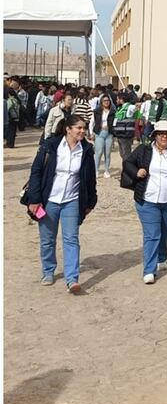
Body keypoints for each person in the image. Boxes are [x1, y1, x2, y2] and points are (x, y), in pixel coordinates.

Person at [25, 115, 98, 293]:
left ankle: (72, 279)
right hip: (49, 200)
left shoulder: (87, 149)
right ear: (68, 129)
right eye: (78, 128)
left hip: (71, 201)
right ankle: (48, 271)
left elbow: (90, 178)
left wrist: (90, 201)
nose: (82, 131)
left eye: (84, 128)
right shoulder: (50, 146)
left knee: (71, 239)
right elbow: (36, 172)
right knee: (47, 239)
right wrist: (34, 199)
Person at [122, 121, 167, 284]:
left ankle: (162, 256)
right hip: (147, 199)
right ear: (154, 135)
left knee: (166, 231)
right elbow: (127, 163)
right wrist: (137, 171)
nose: (164, 136)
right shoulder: (144, 150)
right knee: (152, 235)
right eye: (161, 133)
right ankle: (149, 270)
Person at [91, 94, 115, 178]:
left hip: (109, 133)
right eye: (104, 100)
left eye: (108, 100)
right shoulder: (97, 111)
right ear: (101, 101)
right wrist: (91, 132)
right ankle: (96, 170)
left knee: (107, 153)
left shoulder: (112, 111)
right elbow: (92, 122)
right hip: (99, 133)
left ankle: (106, 170)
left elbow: (115, 122)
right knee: (99, 152)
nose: (106, 102)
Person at [112, 92, 138, 161]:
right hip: (120, 133)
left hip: (126, 134)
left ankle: (127, 166)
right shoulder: (120, 108)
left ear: (121, 99)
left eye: (117, 99)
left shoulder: (129, 107)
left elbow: (137, 107)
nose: (116, 100)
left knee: (126, 154)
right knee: (122, 154)